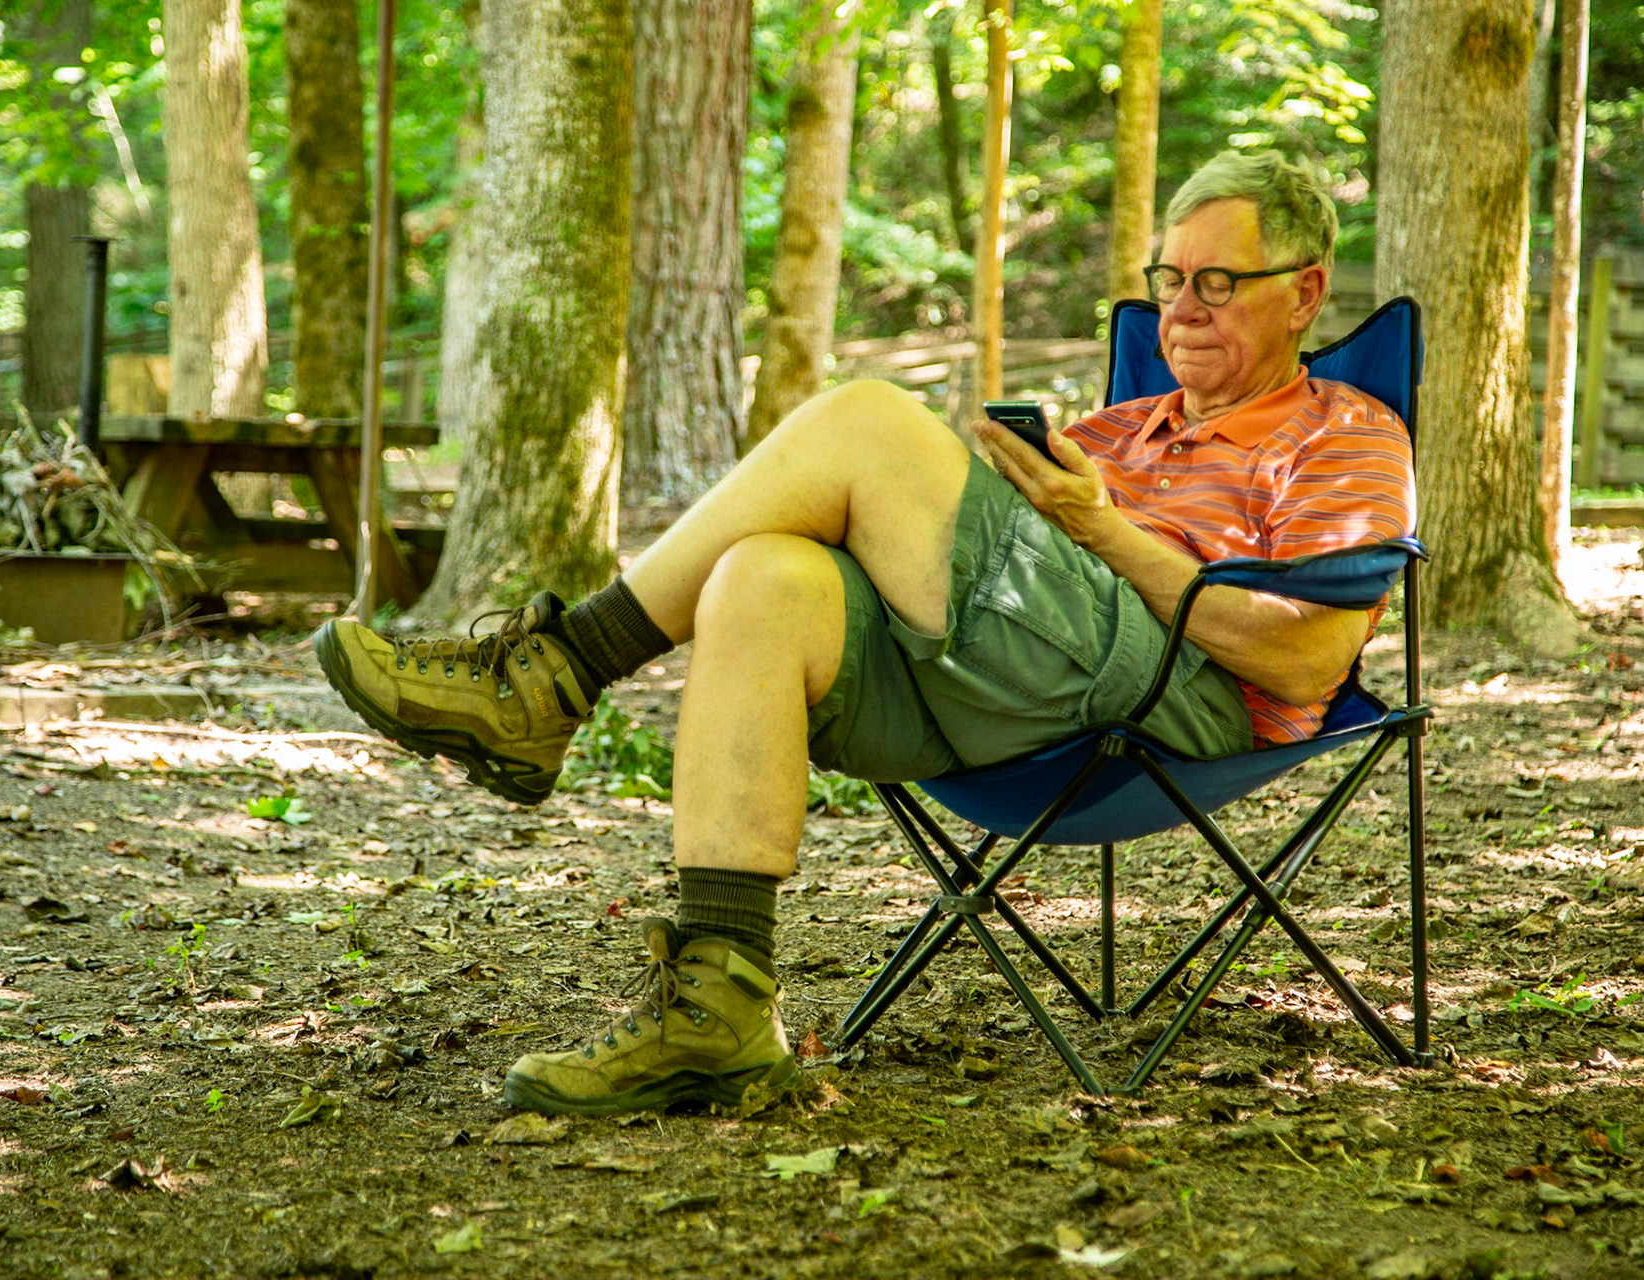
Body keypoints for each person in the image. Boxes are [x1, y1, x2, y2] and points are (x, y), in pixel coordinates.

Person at [314, 150, 1415, 1116]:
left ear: (1306, 293)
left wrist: (1096, 525)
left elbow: (1305, 656)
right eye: (1168, 281)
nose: (1182, 309)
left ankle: (554, 675)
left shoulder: (1347, 435)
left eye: (1219, 283)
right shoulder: (1114, 428)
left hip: (1177, 702)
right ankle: (721, 1006)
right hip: (1012, 686)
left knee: (869, 416)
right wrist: (1025, 505)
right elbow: (1003, 571)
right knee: (762, 577)